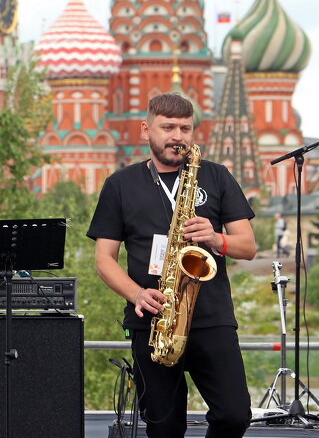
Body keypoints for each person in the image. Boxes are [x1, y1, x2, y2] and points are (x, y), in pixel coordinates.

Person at [87, 93, 256, 438]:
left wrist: (215, 238)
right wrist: (136, 294)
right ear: (146, 130)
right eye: (168, 127)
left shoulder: (217, 176)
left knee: (235, 415)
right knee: (164, 428)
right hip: (153, 321)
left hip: (211, 319)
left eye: (185, 128)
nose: (177, 136)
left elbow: (249, 247)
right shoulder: (119, 184)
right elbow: (104, 260)